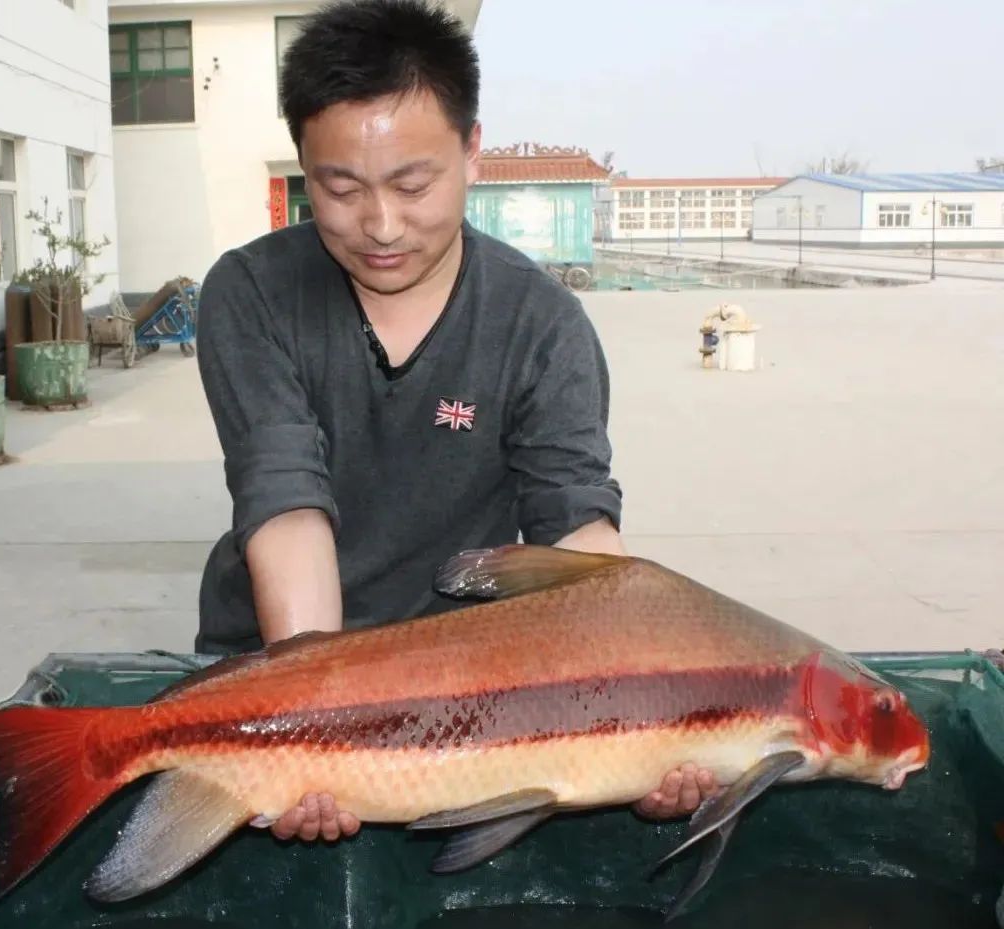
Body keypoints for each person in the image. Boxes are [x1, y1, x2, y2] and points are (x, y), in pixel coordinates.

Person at [194, 0, 716, 847]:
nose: (382, 225)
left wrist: (640, 727)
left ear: (472, 153)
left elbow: (576, 532)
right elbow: (284, 505)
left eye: (413, 183)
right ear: (302, 163)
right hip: (273, 676)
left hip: (466, 694)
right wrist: (317, 727)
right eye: (341, 187)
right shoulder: (251, 294)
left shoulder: (540, 322)